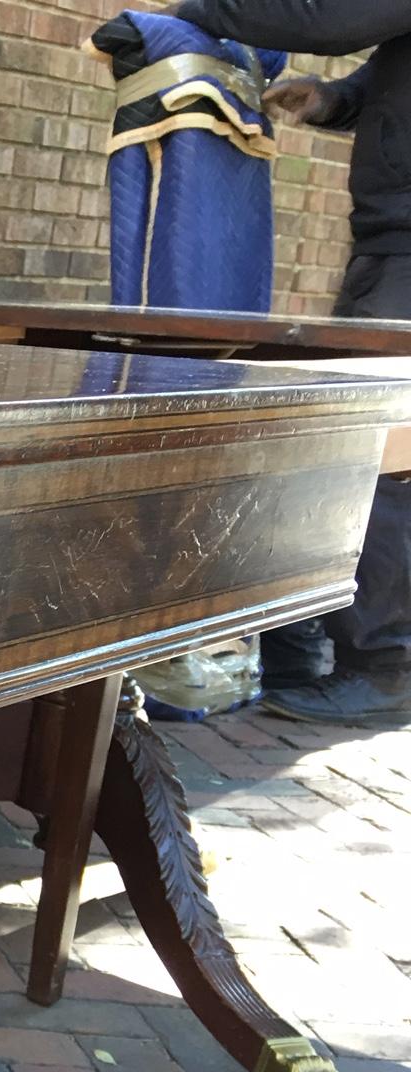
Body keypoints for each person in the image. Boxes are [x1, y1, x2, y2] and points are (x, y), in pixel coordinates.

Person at [168, 0, 411, 727]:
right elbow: (385, 67)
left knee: (381, 452)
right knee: (353, 440)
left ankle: (387, 667)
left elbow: (327, 16)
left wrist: (199, 13)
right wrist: (336, 99)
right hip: (391, 240)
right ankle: (308, 642)